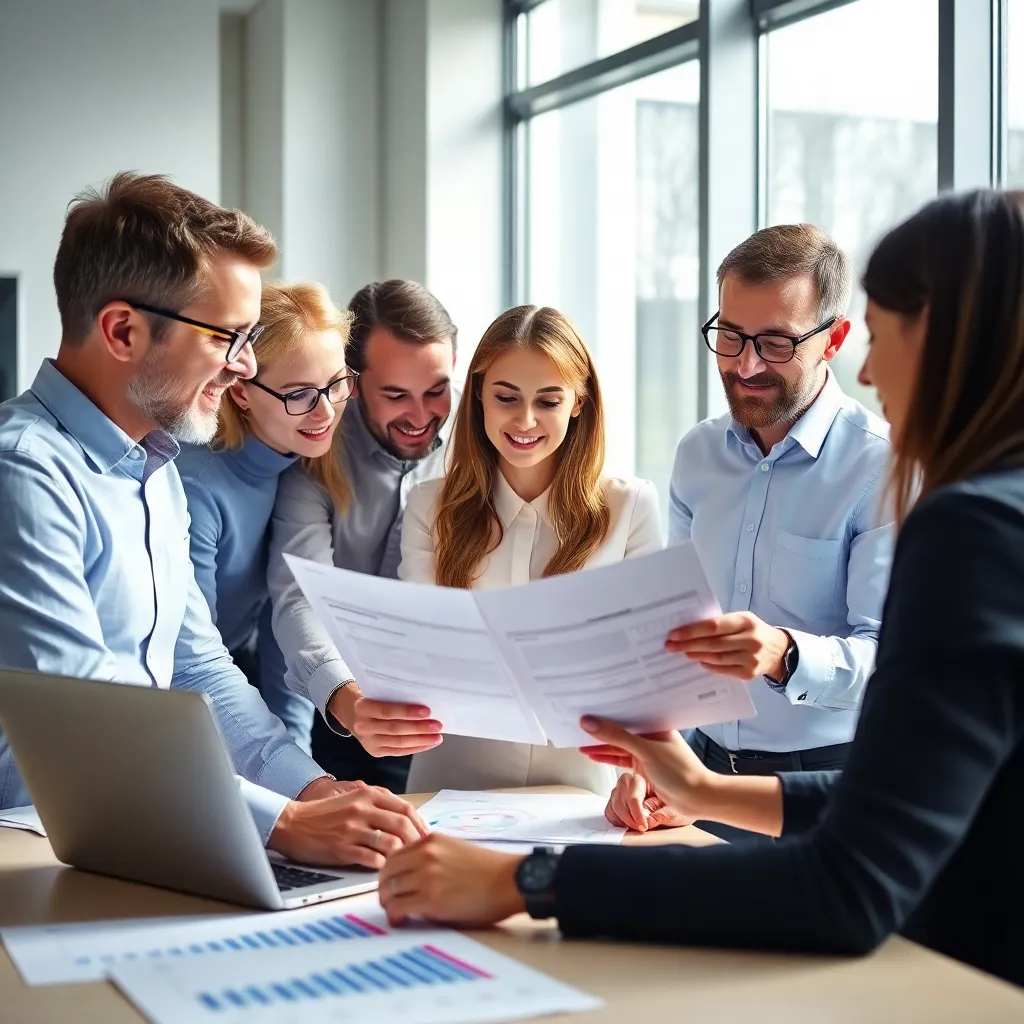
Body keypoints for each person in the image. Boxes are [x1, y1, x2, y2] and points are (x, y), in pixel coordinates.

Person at [377, 189, 1024, 989]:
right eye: (731, 337)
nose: (872, 370)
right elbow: (902, 800)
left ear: (963, 343)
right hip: (729, 772)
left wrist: (529, 883)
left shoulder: (971, 526)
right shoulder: (702, 458)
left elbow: (849, 880)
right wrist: (702, 785)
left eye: (886, 336)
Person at [0, 172, 424, 870]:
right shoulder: (26, 473)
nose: (245, 366)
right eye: (228, 337)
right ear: (122, 330)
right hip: (37, 852)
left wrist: (314, 791)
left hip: (146, 837)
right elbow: (89, 729)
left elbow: (197, 667)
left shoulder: (157, 466)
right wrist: (283, 822)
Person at [663, 224, 893, 841]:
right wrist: (655, 756)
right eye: (731, 336)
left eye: (775, 342)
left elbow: (894, 661)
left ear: (834, 339)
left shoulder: (881, 468)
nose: (747, 364)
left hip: (823, 792)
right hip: (696, 778)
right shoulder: (696, 455)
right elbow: (675, 630)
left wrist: (786, 654)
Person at [397, 304, 662, 794]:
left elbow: (643, 673)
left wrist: (642, 776)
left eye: (548, 401)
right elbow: (423, 651)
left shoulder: (630, 507)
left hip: (585, 778)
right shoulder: (428, 505)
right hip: (452, 776)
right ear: (477, 395)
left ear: (579, 402)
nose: (524, 419)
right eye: (506, 397)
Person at [268, 279, 458, 792]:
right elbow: (298, 593)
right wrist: (346, 699)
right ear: (351, 382)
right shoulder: (318, 446)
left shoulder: (479, 440)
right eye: (396, 395)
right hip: (342, 705)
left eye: (437, 390)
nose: (421, 417)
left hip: (448, 713)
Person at [177, 281, 357, 754]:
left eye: (336, 383)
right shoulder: (198, 486)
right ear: (240, 393)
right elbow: (192, 666)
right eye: (299, 394)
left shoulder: (299, 466)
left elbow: (286, 623)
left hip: (236, 666)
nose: (325, 411)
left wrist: (300, 766)